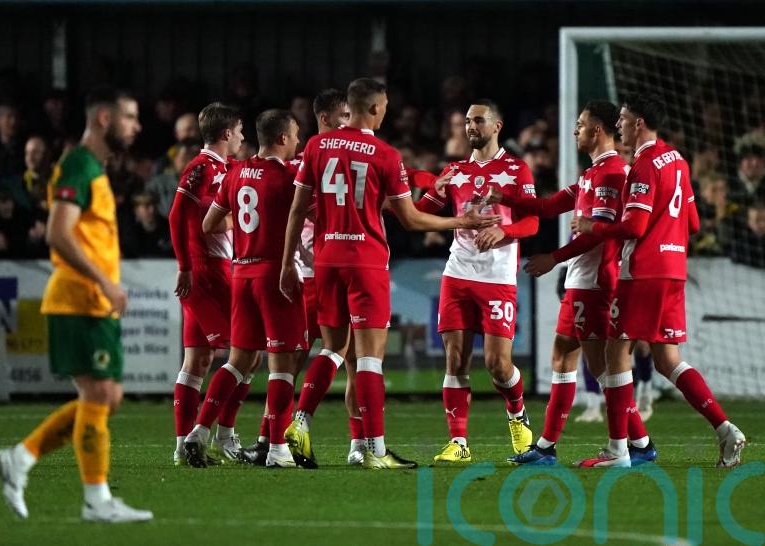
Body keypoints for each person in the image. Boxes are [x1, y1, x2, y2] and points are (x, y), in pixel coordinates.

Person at [279, 78, 498, 469]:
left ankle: (302, 421)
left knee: (333, 348)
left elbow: (298, 210)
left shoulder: (316, 146)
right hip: (365, 262)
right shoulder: (384, 154)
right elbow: (411, 220)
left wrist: (287, 263)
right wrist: (461, 220)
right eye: (384, 107)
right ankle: (376, 450)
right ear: (375, 108)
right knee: (369, 358)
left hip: (325, 261)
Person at [0, 85, 152, 521]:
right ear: (104, 118)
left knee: (107, 397)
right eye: (129, 116)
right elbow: (58, 234)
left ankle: (19, 459)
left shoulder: (92, 167)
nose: (136, 126)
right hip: (78, 297)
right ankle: (96, 499)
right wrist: (105, 282)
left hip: (93, 300)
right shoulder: (78, 164)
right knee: (99, 394)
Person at [573, 93, 746, 467]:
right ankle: (726, 429)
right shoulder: (678, 160)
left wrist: (592, 226)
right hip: (674, 270)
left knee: (615, 352)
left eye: (622, 119)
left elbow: (635, 226)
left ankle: (618, 450)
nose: (618, 125)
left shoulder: (645, 165)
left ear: (638, 123)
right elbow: (693, 223)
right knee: (667, 359)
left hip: (644, 272)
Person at [496, 101, 654, 466]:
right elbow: (550, 206)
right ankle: (549, 446)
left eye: (580, 125)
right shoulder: (592, 174)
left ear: (596, 130)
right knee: (565, 355)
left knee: (600, 368)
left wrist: (554, 258)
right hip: (583, 280)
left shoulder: (611, 174)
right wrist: (505, 197)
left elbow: (598, 233)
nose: (574, 130)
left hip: (594, 283)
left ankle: (636, 443)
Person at [241, 88, 364, 467]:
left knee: (300, 361)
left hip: (304, 272)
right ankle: (345, 441)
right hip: (321, 271)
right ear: (326, 118)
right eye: (344, 115)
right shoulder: (312, 162)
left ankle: (270, 440)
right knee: (345, 355)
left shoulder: (303, 161)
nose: (350, 122)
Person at [414, 100, 539, 463]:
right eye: (468, 121)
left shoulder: (516, 170)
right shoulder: (455, 171)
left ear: (497, 125)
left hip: (497, 277)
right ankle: (458, 443)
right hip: (458, 273)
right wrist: (434, 190)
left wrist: (504, 232)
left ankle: (517, 413)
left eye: (479, 120)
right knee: (455, 359)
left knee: (498, 365)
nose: (471, 126)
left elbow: (532, 222)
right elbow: (420, 214)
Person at [188, 109, 306, 468]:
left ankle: (198, 432)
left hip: (241, 273)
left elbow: (210, 224)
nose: (298, 141)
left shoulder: (235, 172)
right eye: (295, 135)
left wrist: (244, 227)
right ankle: (277, 449)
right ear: (282, 138)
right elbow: (315, 214)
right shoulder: (288, 177)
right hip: (274, 276)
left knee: (237, 361)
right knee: (282, 365)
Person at [168, 103, 251, 465]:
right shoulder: (201, 167)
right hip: (207, 271)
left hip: (211, 268)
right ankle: (220, 436)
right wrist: (186, 266)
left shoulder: (224, 168)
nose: (243, 137)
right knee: (248, 353)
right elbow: (177, 213)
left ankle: (182, 446)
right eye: (240, 131)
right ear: (227, 133)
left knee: (198, 360)